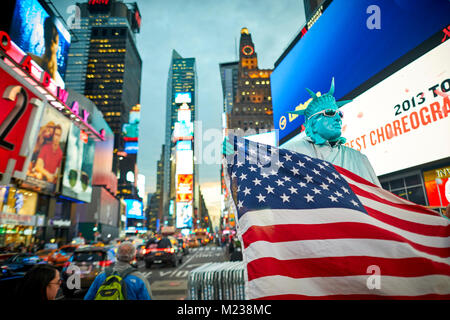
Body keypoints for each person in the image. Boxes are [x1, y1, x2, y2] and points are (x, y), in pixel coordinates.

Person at [282, 78, 381, 186]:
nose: (338, 118)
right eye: (330, 112)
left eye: (340, 114)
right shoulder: (291, 151)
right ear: (313, 123)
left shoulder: (360, 159)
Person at [84, 241, 152, 300]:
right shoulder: (139, 279)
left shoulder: (101, 276)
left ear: (116, 256)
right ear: (133, 257)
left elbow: (88, 297)